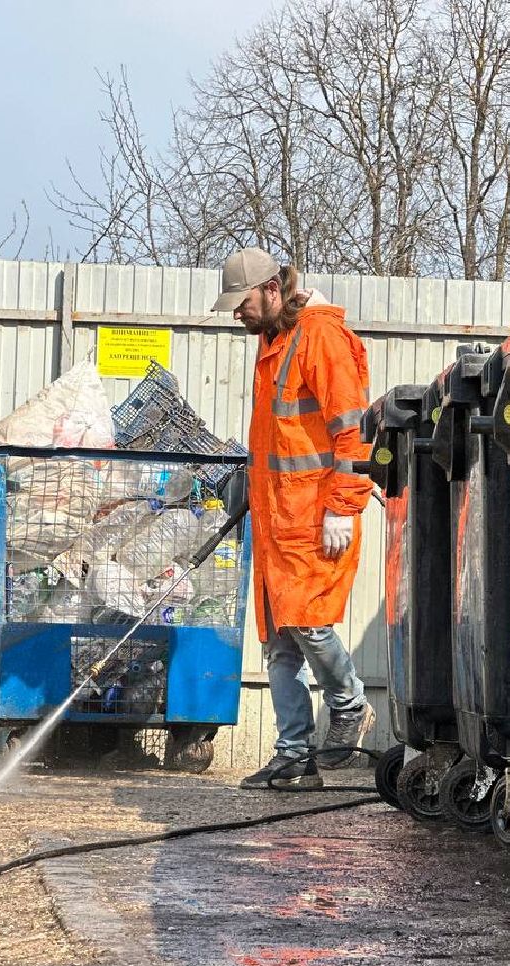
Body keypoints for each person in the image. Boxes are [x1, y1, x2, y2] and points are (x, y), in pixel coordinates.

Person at [211, 247, 376, 790]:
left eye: (243, 302)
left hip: (313, 518)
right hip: (278, 519)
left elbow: (354, 430)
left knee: (309, 624)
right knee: (279, 644)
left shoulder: (319, 339)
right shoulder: (273, 344)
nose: (237, 313)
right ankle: (293, 755)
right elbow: (280, 441)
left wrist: (343, 508)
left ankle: (349, 702)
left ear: (272, 290)